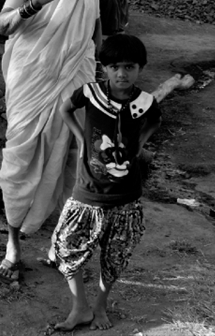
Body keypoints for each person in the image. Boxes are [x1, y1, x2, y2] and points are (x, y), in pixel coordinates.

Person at [0, 0, 102, 282]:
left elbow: (94, 25)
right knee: (20, 157)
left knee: (71, 159)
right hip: (31, 79)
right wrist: (37, 0)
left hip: (76, 77)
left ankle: (62, 242)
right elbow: (3, 24)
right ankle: (13, 243)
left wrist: (96, 75)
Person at [52, 34, 161, 331]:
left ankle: (100, 306)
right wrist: (79, 138)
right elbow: (65, 109)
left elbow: (154, 122)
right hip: (87, 192)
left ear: (141, 68)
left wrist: (139, 146)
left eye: (129, 67)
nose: (121, 74)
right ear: (104, 68)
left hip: (126, 197)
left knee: (114, 257)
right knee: (64, 246)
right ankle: (80, 307)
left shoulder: (146, 102)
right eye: (114, 67)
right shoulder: (89, 94)